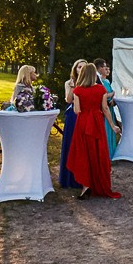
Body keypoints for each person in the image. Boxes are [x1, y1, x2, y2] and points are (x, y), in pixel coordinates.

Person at [66, 62, 121, 198]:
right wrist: (113, 125)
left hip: (83, 123)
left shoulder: (78, 90)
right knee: (97, 151)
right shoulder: (101, 90)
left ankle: (86, 186)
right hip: (97, 122)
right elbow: (105, 108)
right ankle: (98, 182)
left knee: (83, 153)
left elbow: (77, 110)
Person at [58, 59, 87, 190]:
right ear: (75, 69)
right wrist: (73, 87)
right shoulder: (68, 83)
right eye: (79, 67)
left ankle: (83, 178)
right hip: (73, 116)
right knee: (70, 144)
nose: (81, 69)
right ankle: (68, 178)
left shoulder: (90, 83)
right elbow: (68, 99)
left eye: (84, 67)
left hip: (85, 115)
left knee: (84, 146)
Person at [93, 58, 120, 158]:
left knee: (110, 131)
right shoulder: (97, 80)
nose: (106, 69)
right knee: (105, 131)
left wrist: (113, 99)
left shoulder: (106, 81)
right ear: (99, 68)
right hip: (103, 109)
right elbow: (100, 95)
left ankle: (111, 154)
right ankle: (105, 155)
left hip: (110, 108)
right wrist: (111, 94)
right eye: (104, 67)